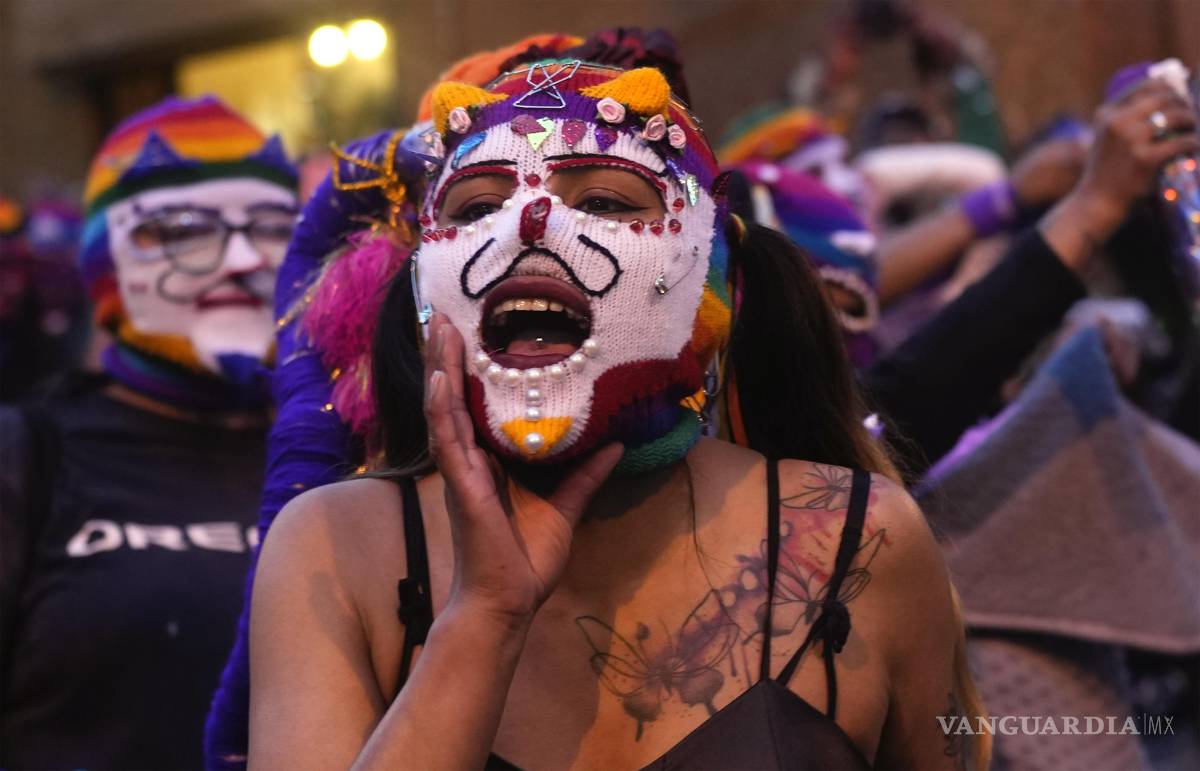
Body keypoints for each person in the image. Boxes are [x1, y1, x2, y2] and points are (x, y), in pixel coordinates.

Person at [246, 55, 988, 769]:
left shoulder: (861, 539)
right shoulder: (333, 550)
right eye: (476, 207)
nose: (527, 225)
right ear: (421, 291)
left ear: (711, 276)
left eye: (603, 201)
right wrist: (483, 619)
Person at [0, 96, 297, 769]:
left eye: (274, 225)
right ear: (107, 262)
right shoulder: (27, 458)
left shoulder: (349, 450)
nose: (243, 257)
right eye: (185, 230)